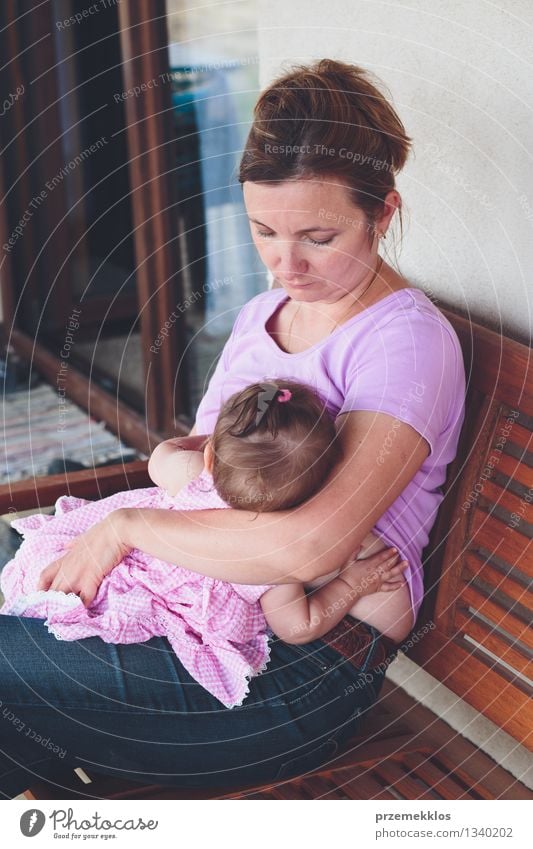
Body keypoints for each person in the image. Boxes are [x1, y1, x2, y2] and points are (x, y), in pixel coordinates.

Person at [0, 58, 465, 798]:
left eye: (317, 235)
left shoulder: (404, 344)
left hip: (294, 668)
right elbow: (201, 471)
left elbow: (309, 543)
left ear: (382, 213)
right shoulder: (261, 317)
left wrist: (124, 526)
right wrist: (173, 482)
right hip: (194, 604)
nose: (286, 265)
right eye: (262, 232)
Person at [1, 380, 406, 710]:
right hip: (141, 613)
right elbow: (299, 627)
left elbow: (163, 454)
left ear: (212, 458)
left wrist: (216, 447)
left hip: (104, 573)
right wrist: (354, 583)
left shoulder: (193, 477)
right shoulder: (271, 563)